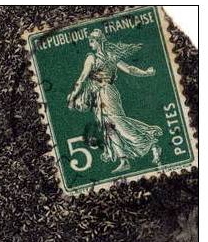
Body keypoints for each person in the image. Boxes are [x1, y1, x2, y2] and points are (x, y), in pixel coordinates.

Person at [66, 29, 162, 173]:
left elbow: (81, 79)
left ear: (98, 41)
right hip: (101, 95)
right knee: (108, 127)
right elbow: (130, 69)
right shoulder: (111, 55)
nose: (90, 44)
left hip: (105, 94)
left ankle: (151, 143)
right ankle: (123, 160)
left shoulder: (91, 58)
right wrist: (146, 73)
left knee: (119, 124)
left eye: (91, 41)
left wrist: (73, 96)